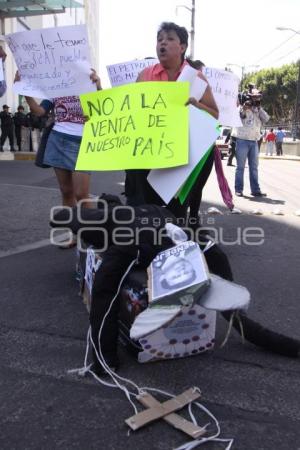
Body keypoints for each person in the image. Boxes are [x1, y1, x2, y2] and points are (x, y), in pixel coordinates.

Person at [125, 22, 218, 220]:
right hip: (149, 153)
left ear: (182, 47)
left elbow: (214, 115)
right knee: (145, 208)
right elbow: (129, 111)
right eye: (159, 40)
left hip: (183, 155)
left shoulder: (196, 78)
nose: (162, 44)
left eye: (169, 39)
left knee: (175, 213)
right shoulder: (145, 76)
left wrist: (197, 106)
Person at [17, 69, 101, 212]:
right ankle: (72, 230)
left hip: (82, 143)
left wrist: (98, 86)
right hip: (58, 140)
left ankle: (88, 232)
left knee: (81, 194)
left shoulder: (90, 84)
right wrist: (24, 90)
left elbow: (105, 107)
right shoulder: (56, 88)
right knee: (66, 191)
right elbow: (39, 111)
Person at [234, 89, 269, 197]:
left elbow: (266, 119)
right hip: (242, 140)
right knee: (240, 167)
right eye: (254, 97)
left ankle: (255, 190)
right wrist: (244, 108)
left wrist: (259, 108)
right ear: (250, 97)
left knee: (254, 167)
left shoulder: (258, 109)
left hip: (254, 141)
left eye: (258, 97)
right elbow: (239, 117)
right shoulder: (242, 106)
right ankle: (238, 190)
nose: (256, 99)